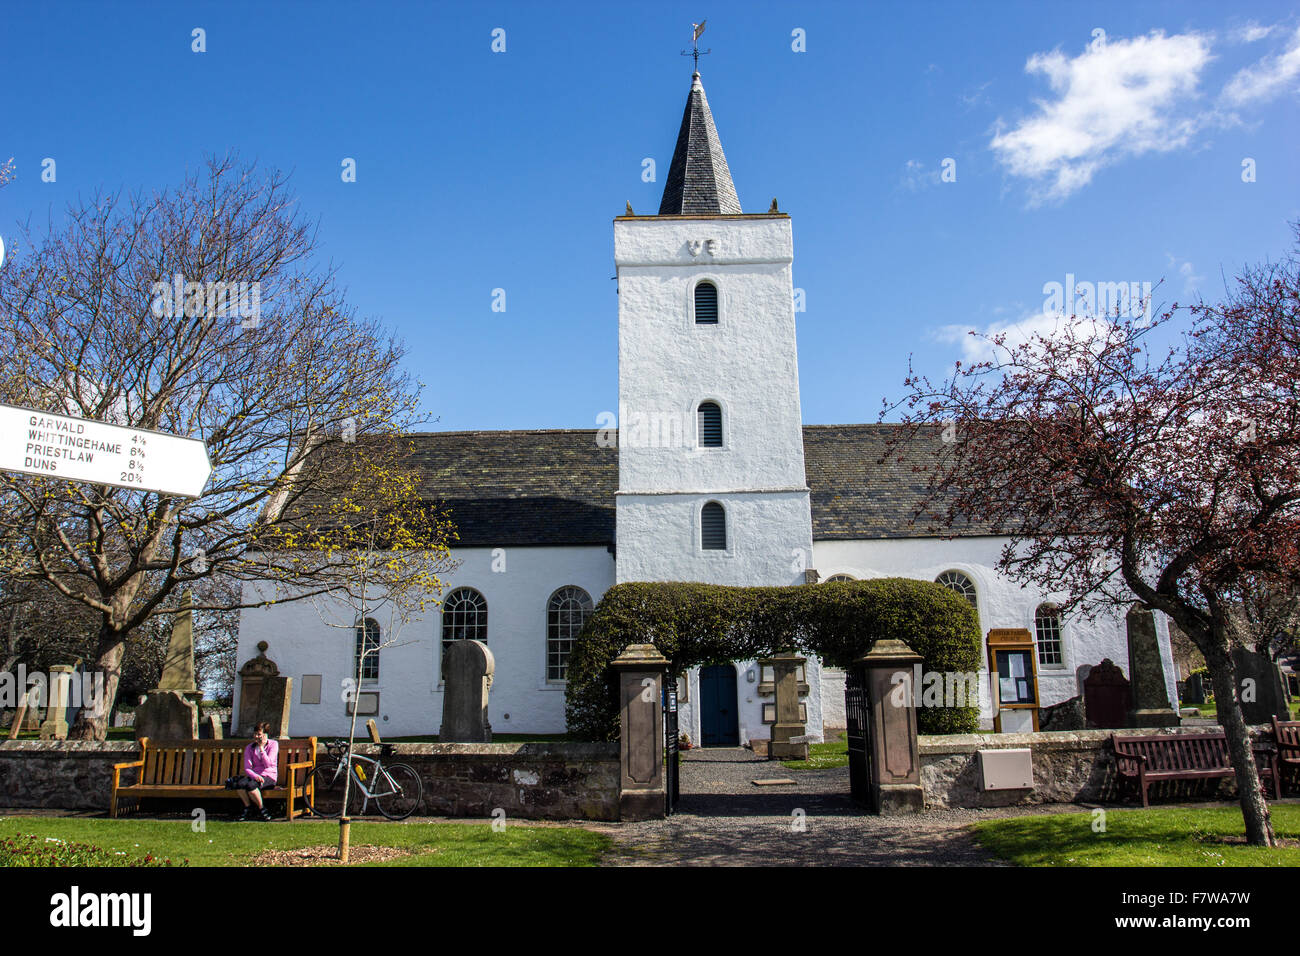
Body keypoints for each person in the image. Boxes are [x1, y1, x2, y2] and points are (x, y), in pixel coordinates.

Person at [226, 722, 279, 821]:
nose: (256, 737)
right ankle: (248, 807)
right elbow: (247, 767)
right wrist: (255, 776)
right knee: (240, 784)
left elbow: (268, 764)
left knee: (251, 786)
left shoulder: (273, 745)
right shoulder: (249, 748)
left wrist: (262, 748)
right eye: (255, 734)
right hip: (255, 776)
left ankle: (262, 809)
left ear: (265, 735)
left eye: (259, 734)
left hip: (269, 775)